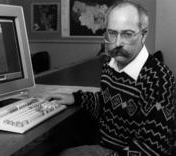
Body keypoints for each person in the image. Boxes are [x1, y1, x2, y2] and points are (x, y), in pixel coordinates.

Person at [47, 1, 176, 156]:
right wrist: (76, 98)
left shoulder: (160, 79)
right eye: (112, 33)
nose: (117, 43)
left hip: (121, 152)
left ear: (144, 34)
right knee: (57, 139)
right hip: (104, 143)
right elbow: (108, 101)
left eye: (127, 34)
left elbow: (152, 149)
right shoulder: (110, 64)